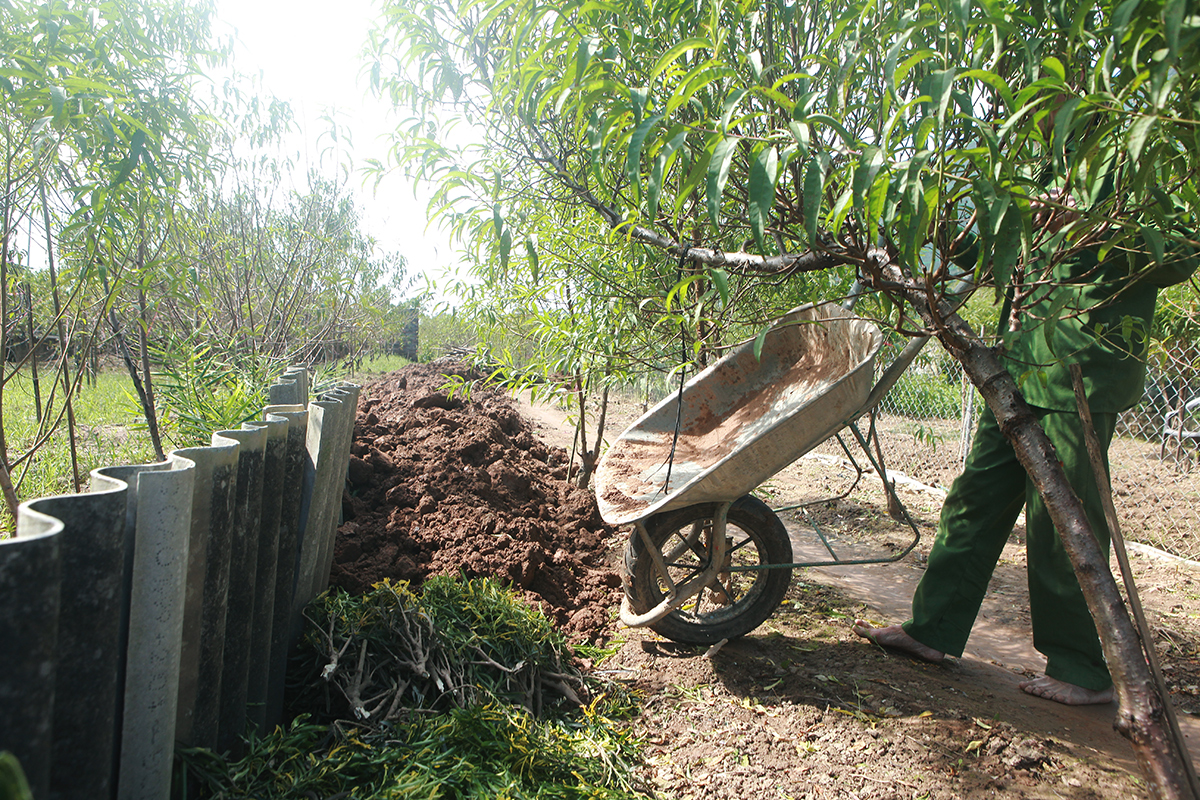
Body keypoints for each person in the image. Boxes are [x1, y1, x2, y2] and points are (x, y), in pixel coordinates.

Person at [853, 193, 1198, 706]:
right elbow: (998, 246)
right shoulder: (1043, 163)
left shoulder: (1131, 159)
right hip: (1018, 365)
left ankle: (1083, 670)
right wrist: (927, 222)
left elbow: (1182, 250)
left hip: (1078, 373)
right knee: (974, 499)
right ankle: (932, 629)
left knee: (1062, 525)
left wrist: (1095, 223)